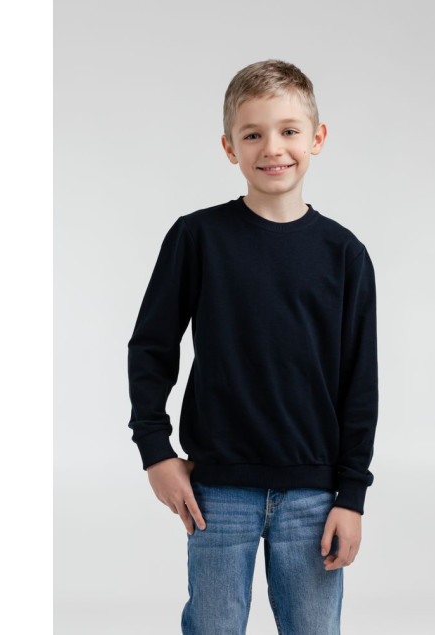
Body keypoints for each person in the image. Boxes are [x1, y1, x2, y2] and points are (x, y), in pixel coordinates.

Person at [127, 58, 378, 634]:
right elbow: (151, 348)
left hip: (313, 497)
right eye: (253, 134)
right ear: (229, 147)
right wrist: (156, 451)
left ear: (316, 138)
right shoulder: (198, 238)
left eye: (289, 131)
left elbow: (359, 383)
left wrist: (352, 495)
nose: (273, 148)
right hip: (217, 491)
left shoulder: (345, 254)